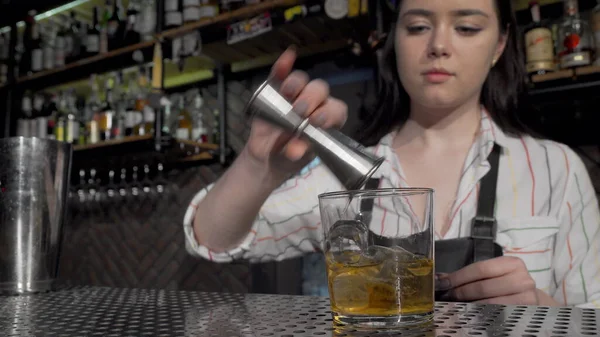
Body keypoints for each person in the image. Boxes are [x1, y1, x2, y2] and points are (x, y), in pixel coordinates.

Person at [183, 0, 600, 308]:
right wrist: (259, 166)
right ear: (395, 42)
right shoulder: (352, 172)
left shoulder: (556, 169)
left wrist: (543, 311)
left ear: (499, 45)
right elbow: (212, 241)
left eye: (467, 28)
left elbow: (592, 316)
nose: (438, 45)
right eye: (418, 26)